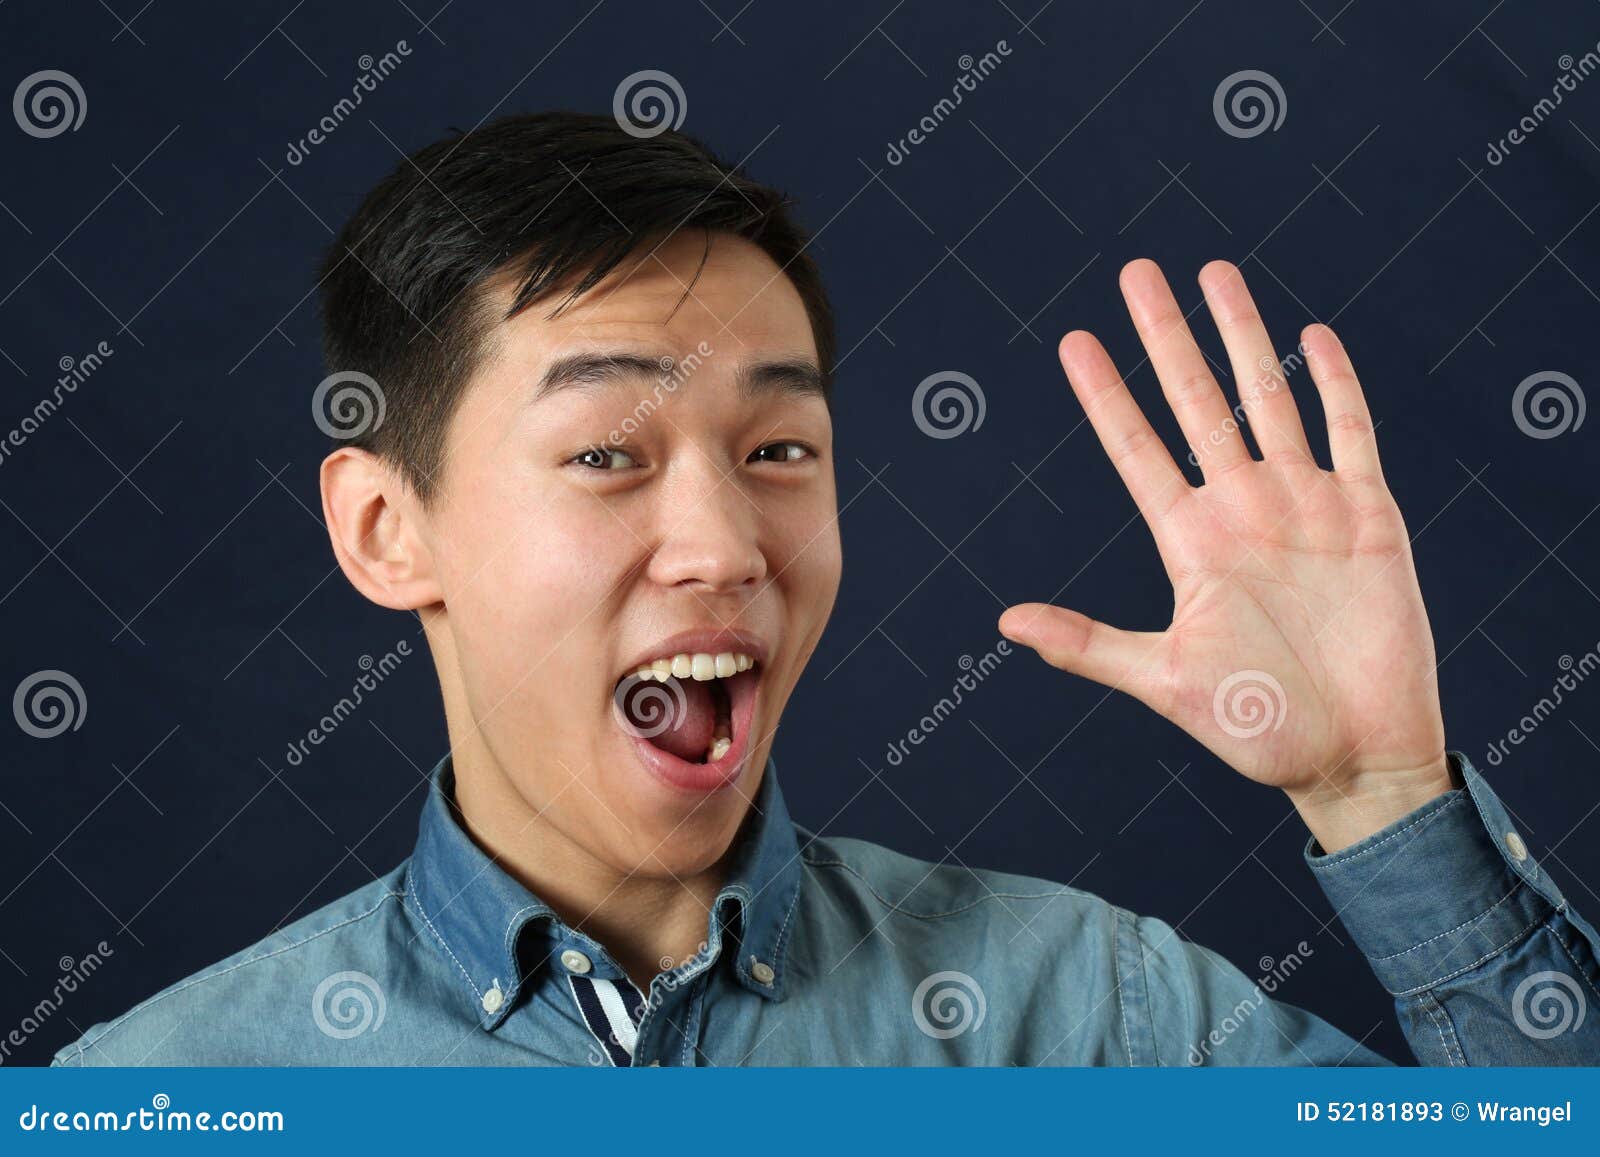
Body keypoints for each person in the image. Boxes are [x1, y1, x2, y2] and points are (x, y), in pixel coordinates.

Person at [53, 112, 1599, 1067]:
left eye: (780, 445)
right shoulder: (168, 1089)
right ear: (391, 528)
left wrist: (1380, 790)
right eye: (607, 453)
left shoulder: (1081, 1018)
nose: (726, 543)